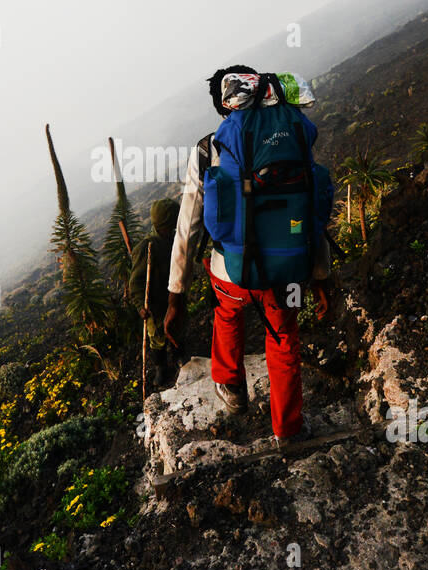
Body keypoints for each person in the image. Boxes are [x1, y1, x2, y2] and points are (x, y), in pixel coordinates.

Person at [163, 65, 331, 450]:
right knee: (284, 338)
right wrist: (321, 277)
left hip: (232, 276)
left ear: (223, 107)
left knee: (226, 313)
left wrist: (177, 296)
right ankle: (288, 430)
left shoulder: (209, 149)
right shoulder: (291, 135)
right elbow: (310, 213)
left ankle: (232, 387)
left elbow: (188, 226)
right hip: (287, 270)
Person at [128, 198, 184, 390]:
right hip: (154, 302)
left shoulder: (173, 240)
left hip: (172, 295)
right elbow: (135, 282)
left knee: (177, 328)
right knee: (157, 337)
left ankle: (179, 358)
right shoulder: (147, 247)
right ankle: (161, 367)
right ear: (164, 225)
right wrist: (139, 306)